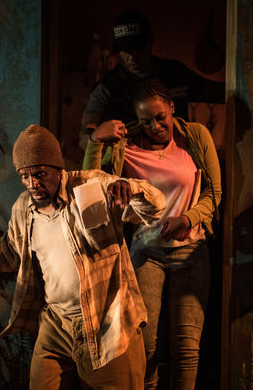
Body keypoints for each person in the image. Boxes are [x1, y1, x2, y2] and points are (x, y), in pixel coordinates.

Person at [0, 125, 166, 389]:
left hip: (107, 323)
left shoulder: (89, 187)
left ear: (58, 168)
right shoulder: (24, 208)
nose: (33, 184)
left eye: (40, 174)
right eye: (24, 176)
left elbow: (157, 205)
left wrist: (131, 189)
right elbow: (6, 251)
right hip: (57, 324)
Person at [82, 80, 221, 390]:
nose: (156, 127)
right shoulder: (125, 146)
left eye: (160, 117)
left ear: (172, 107)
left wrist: (187, 219)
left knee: (186, 347)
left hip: (191, 251)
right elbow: (90, 185)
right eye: (146, 121)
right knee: (144, 346)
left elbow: (214, 192)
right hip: (146, 251)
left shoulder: (195, 136)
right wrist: (95, 140)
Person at [81, 10, 224, 154]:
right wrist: (95, 136)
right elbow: (88, 128)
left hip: (179, 156)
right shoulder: (108, 87)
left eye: (137, 47)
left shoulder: (176, 72)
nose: (131, 56)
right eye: (125, 50)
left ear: (150, 41)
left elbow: (219, 92)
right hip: (132, 161)